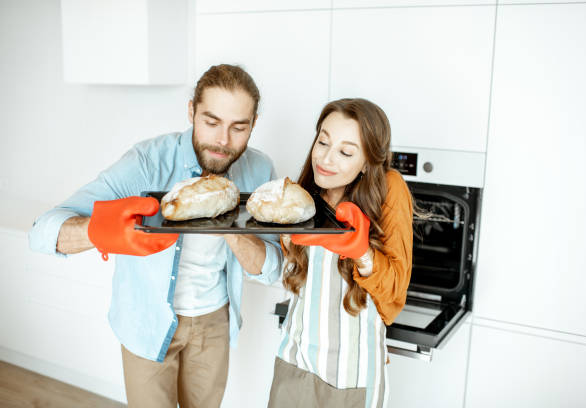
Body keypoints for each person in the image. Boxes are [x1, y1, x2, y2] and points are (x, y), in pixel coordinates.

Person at [28, 64, 282, 408]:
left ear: (253, 124)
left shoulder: (259, 169)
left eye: (239, 127)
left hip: (214, 321)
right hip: (148, 320)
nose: (223, 141)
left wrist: (234, 229)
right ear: (191, 110)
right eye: (211, 122)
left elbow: (270, 270)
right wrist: (104, 232)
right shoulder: (146, 163)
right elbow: (44, 231)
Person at [267, 98, 414, 408]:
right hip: (294, 361)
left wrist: (362, 253)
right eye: (323, 141)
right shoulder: (304, 193)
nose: (326, 159)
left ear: (367, 162)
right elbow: (294, 275)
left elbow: (395, 294)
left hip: (351, 375)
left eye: (346, 152)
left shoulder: (389, 190)